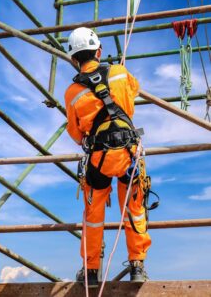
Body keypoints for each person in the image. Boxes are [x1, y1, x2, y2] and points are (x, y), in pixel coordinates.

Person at [64, 27, 152, 287]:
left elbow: (76, 133)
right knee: (134, 210)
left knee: (93, 216)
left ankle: (91, 271)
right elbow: (133, 94)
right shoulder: (119, 73)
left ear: (73, 59)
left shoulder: (72, 93)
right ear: (99, 51)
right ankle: (137, 265)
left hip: (98, 160)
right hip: (128, 156)